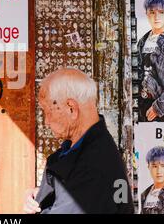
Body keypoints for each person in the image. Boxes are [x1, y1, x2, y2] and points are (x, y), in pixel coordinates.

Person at [23, 68, 134, 214]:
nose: (46, 122)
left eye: (47, 111)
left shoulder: (94, 164)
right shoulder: (87, 149)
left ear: (71, 109)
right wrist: (41, 194)